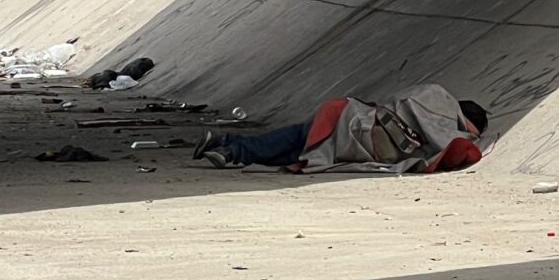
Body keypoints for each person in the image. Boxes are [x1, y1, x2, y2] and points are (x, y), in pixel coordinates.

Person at [193, 84, 489, 174]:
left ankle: (227, 143)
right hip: (359, 136)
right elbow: (464, 152)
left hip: (350, 118)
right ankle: (232, 151)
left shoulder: (431, 93)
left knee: (297, 145)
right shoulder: (449, 123)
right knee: (297, 146)